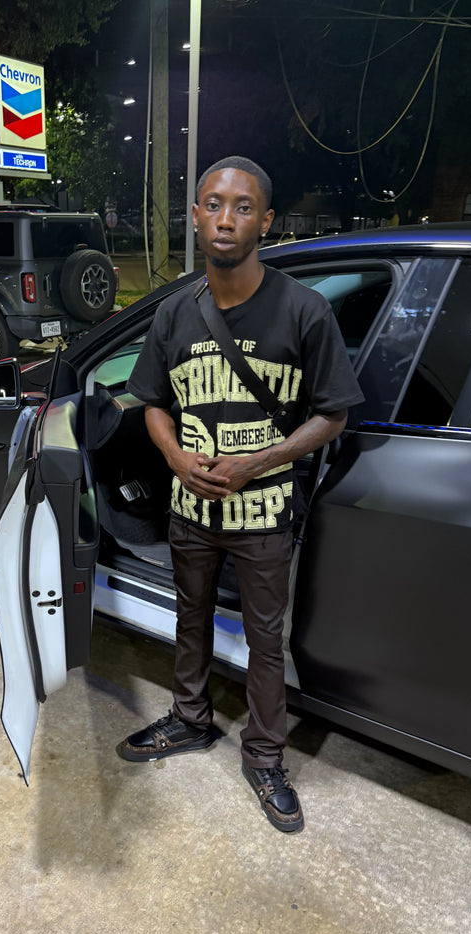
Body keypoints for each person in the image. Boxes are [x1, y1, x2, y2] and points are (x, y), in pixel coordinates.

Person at [116, 156, 363, 833]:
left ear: (266, 221)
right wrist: (174, 457)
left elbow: (333, 414)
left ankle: (264, 757)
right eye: (214, 204)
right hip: (190, 510)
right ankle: (190, 719)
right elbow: (152, 403)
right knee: (189, 619)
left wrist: (260, 462)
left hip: (264, 514)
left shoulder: (304, 310)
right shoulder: (174, 312)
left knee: (265, 642)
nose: (226, 218)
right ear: (196, 216)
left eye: (243, 206)